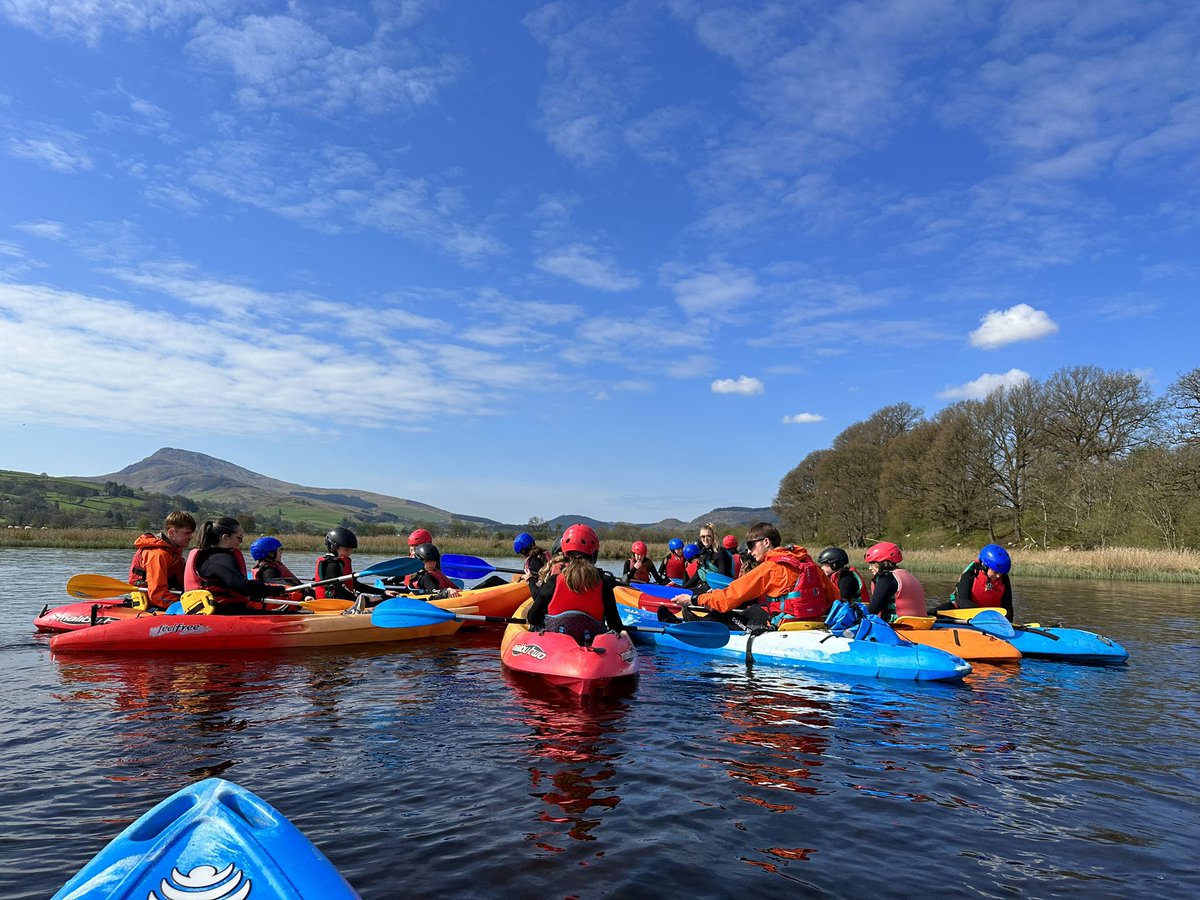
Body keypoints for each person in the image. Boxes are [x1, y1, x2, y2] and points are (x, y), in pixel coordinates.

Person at [680, 523, 837, 627]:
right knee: (755, 608)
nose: (749, 551)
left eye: (751, 545)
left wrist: (695, 599)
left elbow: (727, 600)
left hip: (785, 625)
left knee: (725, 613)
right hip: (815, 623)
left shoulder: (769, 568)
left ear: (766, 542)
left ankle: (696, 623)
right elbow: (834, 596)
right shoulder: (809, 564)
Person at [526, 524, 624, 645]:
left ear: (565, 554)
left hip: (555, 644)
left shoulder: (553, 581)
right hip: (590, 645)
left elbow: (533, 618)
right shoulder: (604, 583)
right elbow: (616, 627)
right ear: (594, 555)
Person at [183, 517, 289, 614]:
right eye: (239, 537)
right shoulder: (220, 560)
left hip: (222, 610)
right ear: (225, 537)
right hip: (223, 612)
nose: (241, 541)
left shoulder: (209, 556)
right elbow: (243, 587)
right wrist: (276, 590)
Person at [128, 510, 196, 610]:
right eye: (187, 533)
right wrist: (185, 607)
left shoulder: (173, 552)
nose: (191, 537)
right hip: (153, 604)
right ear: (172, 532)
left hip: (167, 600)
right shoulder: (158, 555)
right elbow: (157, 593)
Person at [314, 527, 390, 603]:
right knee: (382, 601)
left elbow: (355, 585)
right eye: (346, 549)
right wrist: (367, 599)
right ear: (333, 547)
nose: (349, 552)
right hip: (331, 604)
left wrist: (383, 592)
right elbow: (339, 591)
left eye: (351, 550)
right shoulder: (330, 565)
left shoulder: (340, 562)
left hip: (344, 600)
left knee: (385, 598)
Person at [943, 544, 1015, 620]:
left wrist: (1009, 623)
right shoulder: (970, 573)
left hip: (991, 618)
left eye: (1001, 573)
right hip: (962, 613)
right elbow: (963, 601)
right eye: (995, 572)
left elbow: (1008, 606)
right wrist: (984, 615)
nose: (998, 576)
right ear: (985, 566)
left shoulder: (1004, 578)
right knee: (932, 613)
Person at [864, 541, 926, 621]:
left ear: (884, 563)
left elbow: (872, 610)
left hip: (897, 627)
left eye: (872, 564)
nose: (870, 568)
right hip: (920, 624)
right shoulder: (907, 575)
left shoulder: (886, 579)